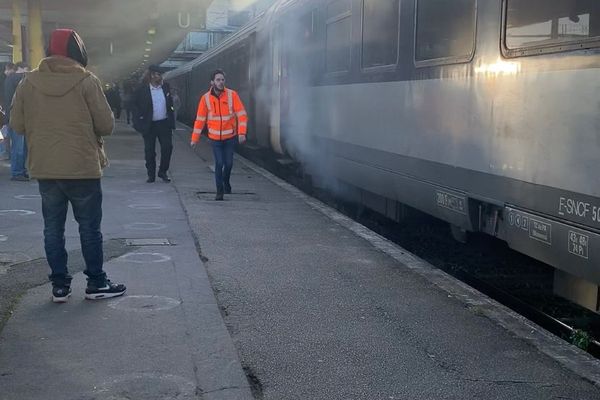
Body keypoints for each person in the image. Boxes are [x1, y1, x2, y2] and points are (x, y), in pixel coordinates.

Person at [9, 28, 126, 303]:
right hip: (82, 167)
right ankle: (96, 283)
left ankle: (60, 286)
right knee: (88, 228)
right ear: (77, 51)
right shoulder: (87, 81)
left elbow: (17, 124)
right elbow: (106, 125)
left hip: (46, 168)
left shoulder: (28, 82)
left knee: (53, 228)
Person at [190, 69, 248, 201]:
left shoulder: (232, 95)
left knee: (228, 164)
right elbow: (200, 120)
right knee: (219, 164)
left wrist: (241, 133)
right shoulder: (205, 99)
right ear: (212, 82)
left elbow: (242, 115)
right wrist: (194, 139)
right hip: (215, 139)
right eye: (218, 80)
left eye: (222, 80)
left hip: (230, 138)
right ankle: (219, 191)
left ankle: (226, 182)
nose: (221, 82)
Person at [133, 65, 175, 183]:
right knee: (149, 151)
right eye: (158, 74)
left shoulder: (165, 88)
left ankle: (163, 171)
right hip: (149, 125)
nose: (161, 77)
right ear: (152, 75)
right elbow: (133, 104)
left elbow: (170, 103)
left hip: (164, 123)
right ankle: (151, 174)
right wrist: (138, 120)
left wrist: (171, 117)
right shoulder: (142, 90)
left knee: (167, 147)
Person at [4, 61, 29, 180]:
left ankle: (19, 171)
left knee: (18, 146)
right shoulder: (19, 79)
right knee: (20, 147)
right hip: (19, 117)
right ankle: (18, 172)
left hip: (12, 117)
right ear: (20, 68)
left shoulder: (9, 80)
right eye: (26, 69)